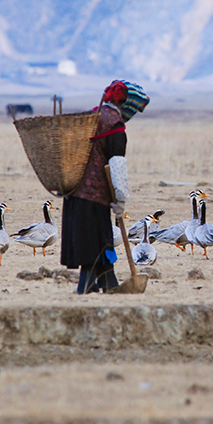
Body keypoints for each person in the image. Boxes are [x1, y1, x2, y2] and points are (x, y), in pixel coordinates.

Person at [60, 80, 149, 293]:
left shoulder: (91, 117)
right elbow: (117, 165)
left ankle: (108, 282)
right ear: (127, 105)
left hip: (73, 191)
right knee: (94, 241)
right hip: (93, 195)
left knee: (98, 239)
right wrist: (121, 199)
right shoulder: (114, 126)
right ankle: (86, 286)